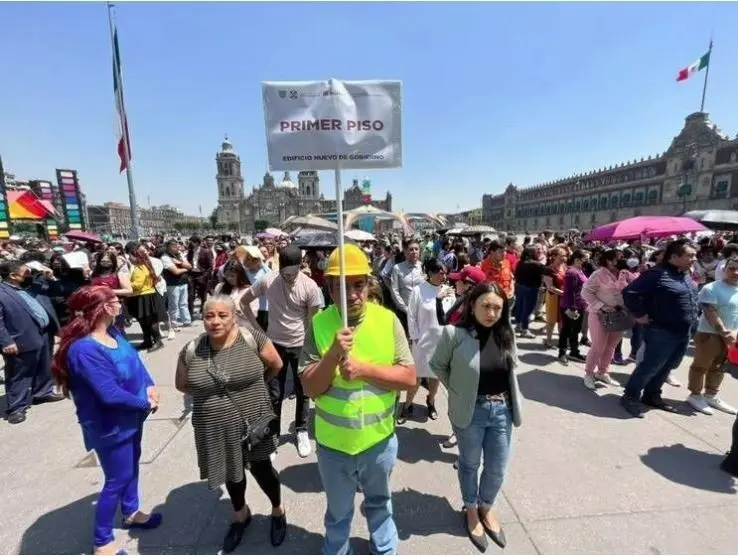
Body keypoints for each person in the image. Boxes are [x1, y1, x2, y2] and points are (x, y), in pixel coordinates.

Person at [299, 243, 416, 555]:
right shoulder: (319, 325)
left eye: (359, 284)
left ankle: (385, 547)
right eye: (341, 286)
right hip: (334, 446)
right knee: (338, 512)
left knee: (380, 503)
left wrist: (364, 370)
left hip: (378, 442)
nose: (352, 294)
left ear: (369, 284)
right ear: (329, 288)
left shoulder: (388, 320)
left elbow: (408, 377)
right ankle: (336, 549)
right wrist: (333, 355)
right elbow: (310, 388)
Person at [52, 285, 162, 554]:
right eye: (114, 300)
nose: (119, 303)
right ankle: (102, 541)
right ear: (101, 308)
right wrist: (144, 402)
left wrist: (150, 386)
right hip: (109, 425)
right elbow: (109, 394)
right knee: (116, 479)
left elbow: (135, 363)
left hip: (133, 416)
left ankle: (131, 512)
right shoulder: (84, 349)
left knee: (131, 466)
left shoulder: (112, 332)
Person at [175, 295, 286, 553]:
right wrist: (212, 396)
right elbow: (182, 384)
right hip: (213, 426)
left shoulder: (251, 339)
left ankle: (278, 510)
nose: (215, 321)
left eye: (222, 315)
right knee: (230, 473)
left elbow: (275, 365)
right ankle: (240, 515)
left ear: (234, 316)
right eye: (209, 316)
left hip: (253, 421)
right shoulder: (192, 349)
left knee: (262, 469)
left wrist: (255, 389)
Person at [429, 283, 523, 552]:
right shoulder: (453, 334)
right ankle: (470, 509)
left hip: (503, 410)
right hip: (471, 412)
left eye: (497, 307)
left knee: (497, 467)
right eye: (485, 306)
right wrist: (459, 391)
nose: (491, 313)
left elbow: (510, 371)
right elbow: (437, 365)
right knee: (470, 463)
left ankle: (486, 506)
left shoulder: (507, 333)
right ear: (472, 305)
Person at [239, 245, 323, 458]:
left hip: (301, 344)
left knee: (303, 391)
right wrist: (258, 331)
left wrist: (310, 345)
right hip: (274, 344)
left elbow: (315, 321)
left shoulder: (310, 287)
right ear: (280, 269)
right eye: (286, 274)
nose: (290, 278)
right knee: (274, 393)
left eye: (294, 273)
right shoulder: (269, 280)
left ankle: (301, 429)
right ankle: (273, 434)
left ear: (301, 266)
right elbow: (243, 301)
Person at [621, 239, 699, 418]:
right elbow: (630, 293)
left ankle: (652, 395)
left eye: (695, 255)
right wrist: (640, 315)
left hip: (683, 333)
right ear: (674, 257)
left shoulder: (684, 274)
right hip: (661, 331)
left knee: (669, 366)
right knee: (650, 366)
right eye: (690, 255)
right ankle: (630, 396)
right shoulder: (656, 274)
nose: (694, 259)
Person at [0, 260, 63, 424]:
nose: (30, 275)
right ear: (13, 276)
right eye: (25, 273)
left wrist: (49, 276)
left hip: (41, 334)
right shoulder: (2, 293)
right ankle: (16, 408)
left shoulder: (29, 287)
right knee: (19, 374)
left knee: (44, 366)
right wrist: (6, 341)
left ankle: (42, 392)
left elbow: (55, 291)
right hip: (19, 339)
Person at [398, 259, 454, 424]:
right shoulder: (418, 290)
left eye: (445, 272)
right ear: (430, 273)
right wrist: (415, 337)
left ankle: (431, 401)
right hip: (422, 342)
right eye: (440, 272)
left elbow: (450, 316)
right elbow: (412, 316)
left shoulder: (448, 291)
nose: (443, 276)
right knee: (416, 377)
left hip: (441, 342)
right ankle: (407, 405)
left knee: (435, 376)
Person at [685, 255, 738, 415]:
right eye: (732, 268)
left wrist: (734, 333)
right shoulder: (711, 288)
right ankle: (694, 395)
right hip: (710, 334)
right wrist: (724, 332)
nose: (735, 272)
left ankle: (711, 394)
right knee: (701, 365)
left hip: (733, 335)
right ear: (724, 268)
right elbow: (710, 313)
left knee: (720, 366)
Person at [580, 249, 628, 389]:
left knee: (611, 345)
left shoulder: (624, 274)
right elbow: (585, 292)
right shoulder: (598, 274)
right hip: (600, 314)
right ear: (609, 260)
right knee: (598, 345)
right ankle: (589, 374)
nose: (621, 260)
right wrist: (601, 306)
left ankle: (602, 372)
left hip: (619, 315)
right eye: (619, 258)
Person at [126, 244, 166, 352]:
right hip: (143, 296)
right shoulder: (142, 266)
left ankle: (158, 341)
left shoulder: (140, 269)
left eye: (131, 256)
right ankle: (147, 340)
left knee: (150, 321)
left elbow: (137, 285)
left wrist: (126, 284)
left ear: (136, 257)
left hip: (144, 297)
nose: (129, 258)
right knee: (143, 321)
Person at [387, 238, 424, 336]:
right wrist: (406, 309)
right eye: (411, 249)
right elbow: (394, 290)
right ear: (405, 251)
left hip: (421, 310)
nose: (414, 252)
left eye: (416, 249)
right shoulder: (398, 268)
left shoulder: (423, 267)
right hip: (404, 312)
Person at [558, 250, 589, 365]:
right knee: (566, 330)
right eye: (585, 259)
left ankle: (574, 351)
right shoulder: (571, 273)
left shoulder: (579, 271)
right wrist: (572, 308)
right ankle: (562, 353)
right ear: (577, 259)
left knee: (575, 330)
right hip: (571, 306)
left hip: (579, 305)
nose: (587, 261)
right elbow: (569, 292)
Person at [513, 246, 545, 338]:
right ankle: (524, 329)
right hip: (531, 289)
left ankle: (518, 325)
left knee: (520, 307)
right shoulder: (537, 265)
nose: (538, 253)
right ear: (532, 253)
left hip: (520, 287)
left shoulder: (520, 262)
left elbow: (516, 275)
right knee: (528, 310)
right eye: (537, 251)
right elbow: (542, 278)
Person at [215, 260, 257, 329]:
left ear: (240, 275)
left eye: (232, 276)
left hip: (243, 329)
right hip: (223, 328)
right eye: (227, 275)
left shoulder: (249, 290)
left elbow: (254, 314)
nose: (229, 278)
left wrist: (240, 312)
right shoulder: (220, 287)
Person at [160, 239, 193, 329]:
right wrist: (185, 269)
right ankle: (173, 323)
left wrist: (180, 263)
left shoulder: (180, 255)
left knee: (184, 303)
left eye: (177, 245)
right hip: (173, 284)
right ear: (168, 247)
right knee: (173, 305)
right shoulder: (165, 257)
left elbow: (190, 266)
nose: (177, 247)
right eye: (174, 246)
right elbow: (176, 271)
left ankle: (186, 321)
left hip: (183, 282)